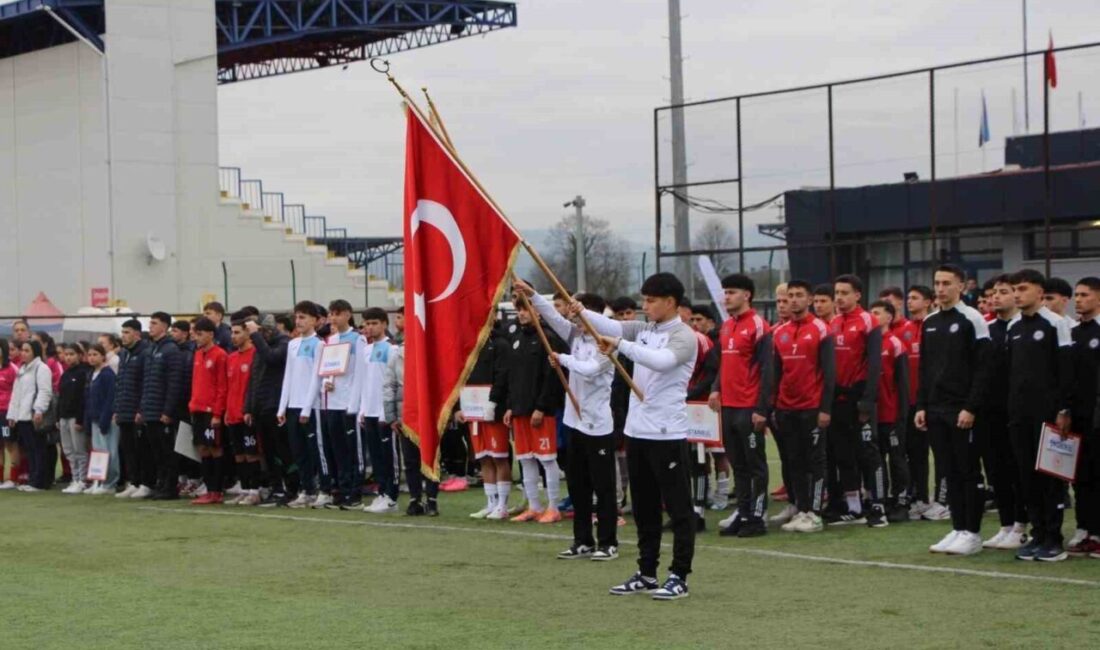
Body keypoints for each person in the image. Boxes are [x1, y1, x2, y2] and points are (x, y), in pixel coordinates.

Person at [580, 273, 697, 601]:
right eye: (643, 300)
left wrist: (621, 346)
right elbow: (610, 327)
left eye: (650, 301)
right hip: (637, 432)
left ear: (670, 302)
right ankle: (647, 572)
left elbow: (661, 362)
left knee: (678, 508)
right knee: (644, 507)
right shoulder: (644, 329)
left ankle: (679, 575)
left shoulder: (684, 336)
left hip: (667, 434)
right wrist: (579, 310)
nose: (644, 307)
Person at [519, 280, 619, 560]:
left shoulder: (607, 342)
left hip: (598, 425)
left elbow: (590, 370)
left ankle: (608, 542)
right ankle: (582, 540)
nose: (572, 314)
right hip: (574, 422)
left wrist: (562, 359)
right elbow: (551, 316)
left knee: (603, 486)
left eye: (577, 308)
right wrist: (532, 294)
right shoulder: (575, 335)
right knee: (577, 485)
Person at [915, 265, 991, 555]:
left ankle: (972, 532)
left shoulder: (973, 319)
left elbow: (984, 368)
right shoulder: (930, 322)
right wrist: (922, 405)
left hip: (962, 411)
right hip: (935, 410)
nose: (941, 288)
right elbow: (924, 368)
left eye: (947, 283)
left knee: (967, 471)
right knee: (948, 471)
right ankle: (958, 528)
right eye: (937, 283)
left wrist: (971, 407)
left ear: (961, 286)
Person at [1005, 269, 1074, 562]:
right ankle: (1037, 534)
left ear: (1038, 291)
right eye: (1015, 289)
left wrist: (1064, 410)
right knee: (1026, 476)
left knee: (1050, 478)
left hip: (1048, 415)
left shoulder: (1056, 325)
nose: (1017, 294)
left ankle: (1054, 539)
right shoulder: (1014, 328)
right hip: (1019, 414)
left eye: (1022, 289)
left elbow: (1067, 371)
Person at [707, 273, 773, 538]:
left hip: (749, 407)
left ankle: (757, 517)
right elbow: (725, 363)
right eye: (725, 292)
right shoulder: (727, 326)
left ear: (747, 295)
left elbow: (768, 370)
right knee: (739, 464)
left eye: (732, 292)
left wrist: (761, 408)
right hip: (729, 407)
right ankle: (743, 513)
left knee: (755, 464)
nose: (726, 297)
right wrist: (715, 389)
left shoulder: (759, 325)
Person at [770, 280, 834, 533]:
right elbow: (775, 374)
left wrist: (825, 409)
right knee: (794, 461)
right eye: (790, 296)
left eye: (799, 296)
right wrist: (773, 407)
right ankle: (802, 508)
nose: (794, 300)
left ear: (809, 300)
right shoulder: (779, 333)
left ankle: (816, 513)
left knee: (816, 462)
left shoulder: (821, 329)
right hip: (786, 409)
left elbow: (830, 373)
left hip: (812, 408)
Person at [826, 274, 886, 527]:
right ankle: (854, 509)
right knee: (843, 455)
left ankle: (879, 507)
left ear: (858, 295)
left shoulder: (868, 321)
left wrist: (867, 400)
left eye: (844, 292)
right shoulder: (833, 322)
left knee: (868, 455)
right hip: (836, 401)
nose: (839, 297)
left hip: (859, 400)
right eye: (837, 292)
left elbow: (874, 365)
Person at [504, 294, 568, 524]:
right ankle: (534, 506)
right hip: (520, 411)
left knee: (547, 460)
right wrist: (510, 406)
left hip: (541, 412)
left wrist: (541, 407)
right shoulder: (516, 338)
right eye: (519, 310)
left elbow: (552, 377)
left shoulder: (548, 338)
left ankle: (553, 506)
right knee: (526, 459)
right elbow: (513, 376)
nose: (522, 314)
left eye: (526, 309)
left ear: (538, 312)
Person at [981, 275, 1029, 550]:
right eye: (993, 292)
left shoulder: (1021, 328)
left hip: (1016, 411)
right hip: (991, 412)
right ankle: (1006, 524)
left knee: (1017, 470)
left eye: (1003, 292)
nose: (996, 297)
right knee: (996, 471)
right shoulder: (987, 329)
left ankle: (1023, 525)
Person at [311, 300, 362, 510]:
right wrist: (326, 382)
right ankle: (340, 490)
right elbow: (326, 370)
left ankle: (355, 492)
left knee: (352, 451)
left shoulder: (357, 339)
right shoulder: (330, 341)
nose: (333, 318)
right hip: (330, 402)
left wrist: (354, 402)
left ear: (348, 314)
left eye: (338, 313)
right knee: (336, 450)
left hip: (348, 403)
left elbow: (359, 372)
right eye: (331, 314)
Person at [461, 321, 513, 520]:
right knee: (482, 456)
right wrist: (460, 406)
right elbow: (461, 376)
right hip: (473, 409)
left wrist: (494, 402)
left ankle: (503, 504)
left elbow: (503, 375)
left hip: (493, 409)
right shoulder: (469, 345)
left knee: (499, 456)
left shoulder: (500, 344)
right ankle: (491, 502)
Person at [869, 300, 911, 524]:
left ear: (889, 317)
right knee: (876, 460)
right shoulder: (868, 343)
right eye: (870, 312)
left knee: (897, 459)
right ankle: (880, 499)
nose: (872, 316)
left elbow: (903, 383)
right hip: (872, 414)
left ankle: (902, 501)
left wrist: (901, 415)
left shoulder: (894, 343)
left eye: (877, 313)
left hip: (891, 414)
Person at [245, 315, 294, 506]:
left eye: (260, 331)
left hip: (276, 406)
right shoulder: (260, 347)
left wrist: (256, 335)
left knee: (282, 450)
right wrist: (248, 407)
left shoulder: (284, 343)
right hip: (261, 407)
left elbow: (272, 358)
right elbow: (253, 378)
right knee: (268, 452)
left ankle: (290, 488)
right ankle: (276, 488)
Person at [277, 302, 323, 508]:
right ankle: (306, 490)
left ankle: (320, 488)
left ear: (315, 320)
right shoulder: (293, 344)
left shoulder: (319, 344)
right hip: (293, 406)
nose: (299, 321)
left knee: (314, 450)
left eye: (303, 317)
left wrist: (307, 407)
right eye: (297, 317)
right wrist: (282, 407)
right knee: (298, 452)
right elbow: (288, 376)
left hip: (310, 407)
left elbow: (316, 376)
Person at [904, 284, 944, 519]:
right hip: (911, 403)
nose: (910, 302)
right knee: (915, 453)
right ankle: (920, 498)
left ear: (928, 302)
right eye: (908, 298)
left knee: (940, 453)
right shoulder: (905, 329)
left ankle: (943, 500)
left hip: (935, 402)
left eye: (915, 298)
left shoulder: (934, 326)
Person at [1067, 277, 1100, 555]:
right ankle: (1084, 528)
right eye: (1076, 295)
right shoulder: (1074, 333)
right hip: (1078, 417)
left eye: (1084, 295)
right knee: (1081, 475)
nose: (1078, 300)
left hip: (1097, 416)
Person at [356, 307, 399, 514]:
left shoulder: (392, 349)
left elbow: (393, 383)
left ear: (384, 324)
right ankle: (381, 493)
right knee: (375, 456)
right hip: (370, 411)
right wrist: (362, 409)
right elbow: (365, 382)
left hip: (385, 413)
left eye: (374, 323)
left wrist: (388, 412)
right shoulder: (365, 350)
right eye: (367, 324)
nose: (370, 328)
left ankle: (392, 496)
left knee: (388, 456)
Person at [140, 312, 183, 500]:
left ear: (164, 327)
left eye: (154, 323)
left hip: (162, 411)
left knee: (167, 451)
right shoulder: (151, 349)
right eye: (150, 323)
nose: (150, 326)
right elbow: (147, 382)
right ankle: (161, 483)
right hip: (150, 409)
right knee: (156, 451)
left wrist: (168, 410)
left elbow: (174, 383)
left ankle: (171, 487)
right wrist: (142, 407)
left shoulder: (170, 350)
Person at [188, 317, 229, 505]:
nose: (197, 337)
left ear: (211, 334)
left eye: (200, 334)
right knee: (202, 448)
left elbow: (222, 386)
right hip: (197, 409)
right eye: (195, 334)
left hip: (211, 410)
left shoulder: (220, 355)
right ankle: (208, 488)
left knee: (215, 448)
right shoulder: (197, 354)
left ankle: (217, 490)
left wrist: (217, 413)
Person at [224, 319, 261, 506]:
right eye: (232, 332)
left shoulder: (255, 355)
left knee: (252, 453)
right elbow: (229, 387)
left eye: (237, 332)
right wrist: (226, 411)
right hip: (232, 413)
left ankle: (256, 490)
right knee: (238, 454)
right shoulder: (231, 358)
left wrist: (251, 409)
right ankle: (245, 489)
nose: (233, 336)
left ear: (248, 333)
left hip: (247, 413)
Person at [7, 340, 53, 491]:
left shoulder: (41, 368)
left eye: (27, 351)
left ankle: (39, 482)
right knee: (30, 449)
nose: (23, 354)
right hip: (22, 416)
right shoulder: (22, 369)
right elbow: (16, 394)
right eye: (22, 350)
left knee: (38, 448)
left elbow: (45, 391)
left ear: (35, 352)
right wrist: (12, 414)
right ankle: (33, 478)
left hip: (33, 415)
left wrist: (39, 410)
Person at [114, 319, 150, 499]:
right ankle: (133, 481)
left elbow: (145, 383)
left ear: (137, 334)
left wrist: (141, 409)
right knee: (127, 448)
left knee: (141, 449)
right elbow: (120, 382)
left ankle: (145, 483)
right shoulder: (123, 354)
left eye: (127, 332)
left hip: (136, 410)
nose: (123, 336)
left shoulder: (144, 353)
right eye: (122, 332)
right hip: (124, 409)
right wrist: (117, 408)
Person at [608, 297, 638, 512]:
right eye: (621, 315)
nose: (626, 318)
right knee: (619, 452)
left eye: (629, 313)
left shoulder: (643, 341)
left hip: (636, 404)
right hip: (616, 405)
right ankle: (621, 497)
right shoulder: (609, 344)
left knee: (633, 454)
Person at [84, 344, 118, 494]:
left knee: (109, 451)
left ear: (103, 356)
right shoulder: (92, 373)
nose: (91, 358)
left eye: (95, 354)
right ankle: (98, 481)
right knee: (98, 451)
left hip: (106, 419)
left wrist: (105, 419)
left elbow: (110, 398)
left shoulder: (107, 374)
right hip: (94, 418)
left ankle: (110, 483)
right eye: (90, 355)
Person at [57, 344, 92, 494]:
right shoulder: (65, 374)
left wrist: (80, 419)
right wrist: (58, 417)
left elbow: (82, 399)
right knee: (68, 450)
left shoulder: (83, 373)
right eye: (66, 354)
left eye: (72, 354)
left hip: (75, 417)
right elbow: (61, 397)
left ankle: (82, 480)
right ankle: (75, 477)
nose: (68, 357)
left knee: (79, 450)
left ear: (79, 355)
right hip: (64, 417)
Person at [0, 339, 19, 489]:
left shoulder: (12, 369)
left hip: (6, 412)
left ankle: (13, 478)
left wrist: (13, 412)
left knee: (9, 444)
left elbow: (18, 391)